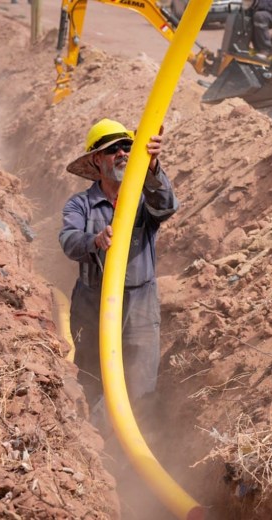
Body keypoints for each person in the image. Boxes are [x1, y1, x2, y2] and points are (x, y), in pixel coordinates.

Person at [59, 119, 178, 416]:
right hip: (92, 305)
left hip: (140, 305)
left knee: (139, 384)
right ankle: (92, 447)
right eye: (114, 149)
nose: (124, 153)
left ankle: (133, 445)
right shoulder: (80, 205)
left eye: (128, 146)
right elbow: (69, 241)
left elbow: (166, 205)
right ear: (97, 159)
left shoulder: (142, 199)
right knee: (91, 378)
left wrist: (152, 168)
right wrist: (95, 240)